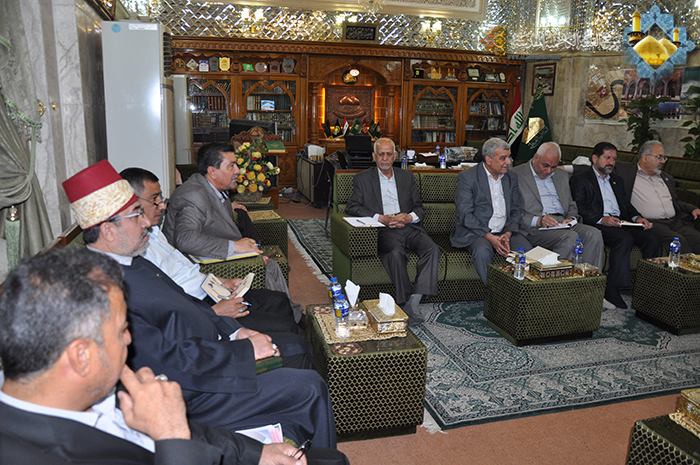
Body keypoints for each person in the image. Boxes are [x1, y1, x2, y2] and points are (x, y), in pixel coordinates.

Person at [61, 160, 336, 449]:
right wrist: (244, 352)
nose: (146, 222)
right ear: (108, 231)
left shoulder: (134, 261)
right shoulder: (106, 290)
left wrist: (235, 331)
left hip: (211, 354)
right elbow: (165, 362)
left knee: (298, 351)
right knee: (310, 387)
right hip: (197, 391)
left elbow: (189, 302)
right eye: (136, 215)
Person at [0, 248, 349, 465]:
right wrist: (170, 435)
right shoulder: (29, 453)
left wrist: (256, 454)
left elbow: (193, 433)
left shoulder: (93, 389)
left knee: (331, 460)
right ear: (81, 356)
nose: (130, 340)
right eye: (121, 331)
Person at [120, 167, 300, 335]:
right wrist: (214, 312)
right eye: (154, 199)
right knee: (286, 327)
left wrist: (223, 281)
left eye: (161, 198)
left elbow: (185, 270)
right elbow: (164, 311)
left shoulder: (153, 232)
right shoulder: (133, 251)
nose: (162, 206)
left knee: (279, 300)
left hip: (210, 292)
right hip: (199, 309)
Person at [162, 142, 303, 323]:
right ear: (213, 172)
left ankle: (295, 316)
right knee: (263, 269)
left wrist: (247, 252)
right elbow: (185, 239)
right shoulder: (193, 195)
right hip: (196, 266)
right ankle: (288, 320)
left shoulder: (215, 189)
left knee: (272, 266)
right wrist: (236, 247)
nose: (238, 170)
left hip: (212, 253)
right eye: (231, 166)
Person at [344, 137, 440, 324]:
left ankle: (414, 300)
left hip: (409, 226)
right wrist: (380, 218)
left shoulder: (407, 177)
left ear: (395, 156)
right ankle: (404, 299)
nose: (385, 158)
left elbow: (419, 208)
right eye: (381, 154)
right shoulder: (362, 179)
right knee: (395, 253)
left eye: (389, 154)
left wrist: (408, 217)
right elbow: (352, 207)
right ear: (374, 156)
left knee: (432, 250)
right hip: (385, 229)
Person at [569, 142, 662, 309]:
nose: (611, 162)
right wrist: (601, 219)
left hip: (621, 222)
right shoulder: (580, 179)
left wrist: (637, 217)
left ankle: (647, 287)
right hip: (597, 223)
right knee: (623, 239)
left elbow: (625, 204)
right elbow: (579, 207)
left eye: (613, 159)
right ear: (595, 158)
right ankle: (611, 289)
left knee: (653, 237)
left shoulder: (617, 180)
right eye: (607, 158)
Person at [450, 137, 532, 285]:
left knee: (527, 250)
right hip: (476, 232)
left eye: (509, 157)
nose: (508, 162)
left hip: (505, 231)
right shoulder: (468, 177)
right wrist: (490, 237)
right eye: (503, 158)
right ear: (488, 160)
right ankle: (495, 293)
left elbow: (515, 210)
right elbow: (465, 215)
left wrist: (508, 234)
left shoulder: (511, 177)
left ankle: (522, 292)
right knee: (482, 251)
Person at [511, 142, 604, 270]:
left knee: (594, 234)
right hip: (536, 227)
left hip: (562, 222)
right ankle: (554, 280)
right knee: (569, 237)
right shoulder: (515, 175)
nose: (548, 171)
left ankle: (588, 279)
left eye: (553, 167)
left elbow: (571, 204)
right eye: (545, 165)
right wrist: (538, 221)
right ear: (535, 157)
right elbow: (512, 211)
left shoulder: (561, 175)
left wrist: (571, 218)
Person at [615, 140, 700, 254]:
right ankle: (684, 266)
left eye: (664, 158)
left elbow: (675, 201)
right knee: (679, 242)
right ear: (645, 157)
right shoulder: (626, 173)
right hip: (652, 223)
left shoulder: (666, 178)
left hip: (675, 222)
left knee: (697, 239)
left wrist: (692, 209)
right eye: (659, 157)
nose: (663, 161)